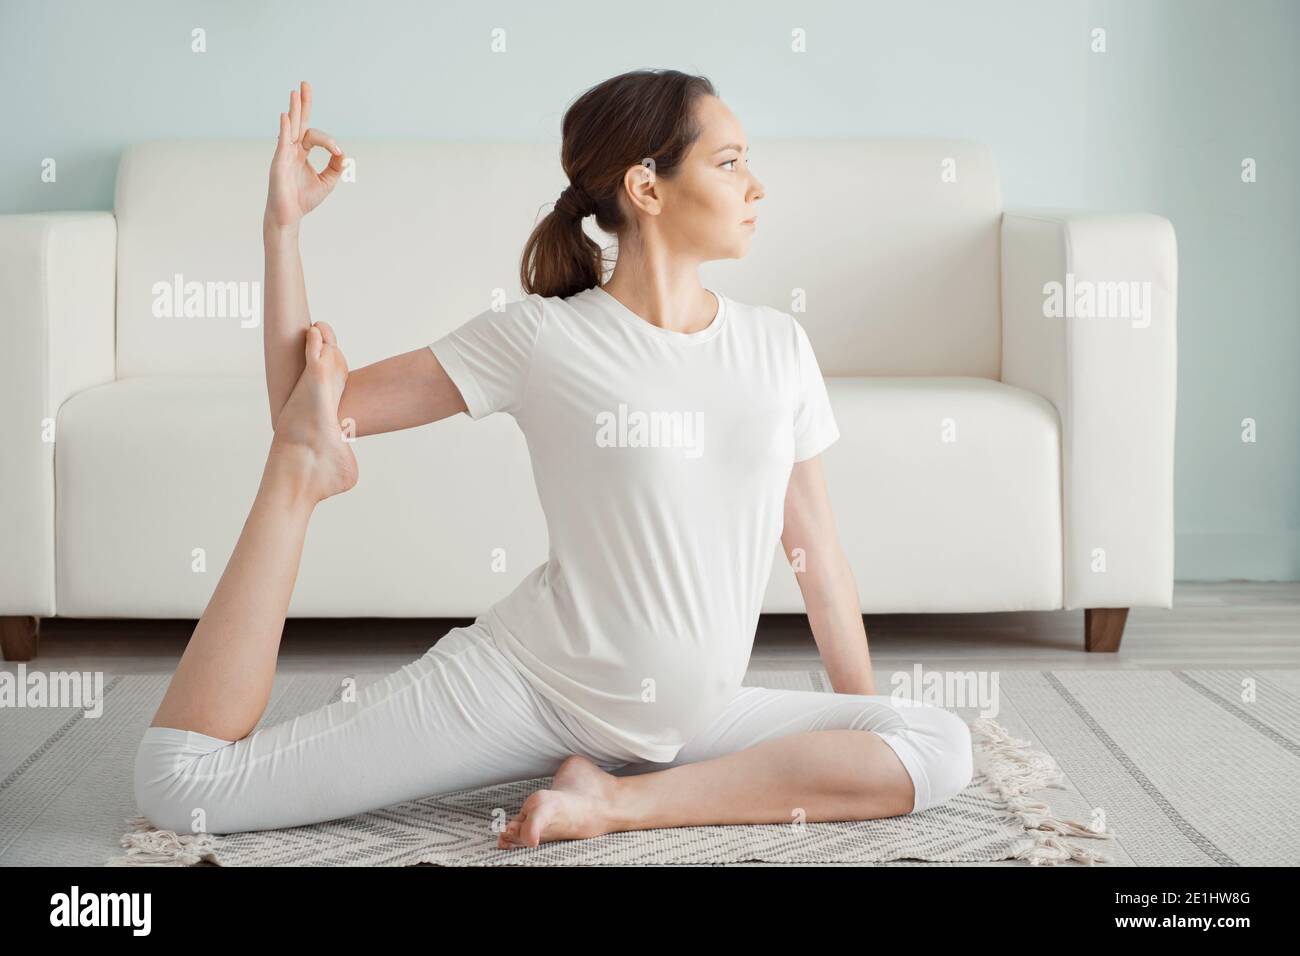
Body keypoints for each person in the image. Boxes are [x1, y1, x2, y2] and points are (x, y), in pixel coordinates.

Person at [134, 71, 973, 850]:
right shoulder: (544, 338)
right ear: (647, 187)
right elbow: (306, 416)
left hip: (698, 718)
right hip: (527, 687)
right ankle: (612, 782)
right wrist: (284, 229)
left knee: (936, 744)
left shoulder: (777, 347)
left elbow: (817, 556)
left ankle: (614, 802)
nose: (756, 185)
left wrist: (866, 716)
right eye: (729, 162)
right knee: (185, 790)